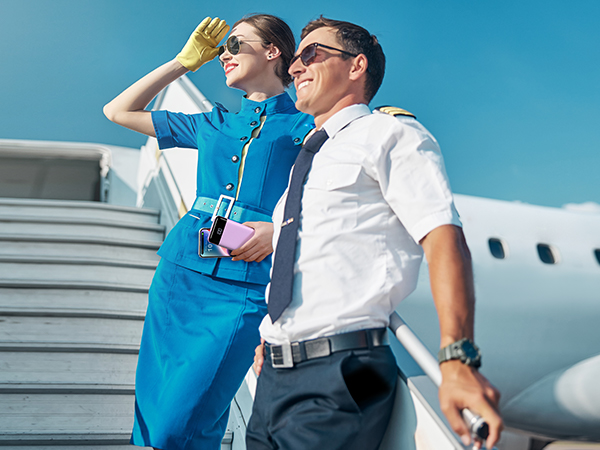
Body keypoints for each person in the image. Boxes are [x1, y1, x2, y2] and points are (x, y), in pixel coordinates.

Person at [246, 17, 503, 450]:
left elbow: (443, 237)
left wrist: (457, 359)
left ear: (356, 65)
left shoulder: (391, 134)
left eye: (310, 54)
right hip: (273, 376)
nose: (294, 68)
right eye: (293, 60)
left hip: (343, 372)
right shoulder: (307, 162)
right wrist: (276, 330)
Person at [103, 14, 313, 450]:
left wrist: (280, 229)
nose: (224, 54)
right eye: (221, 48)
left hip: (246, 284)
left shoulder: (306, 126)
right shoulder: (213, 123)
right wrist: (183, 62)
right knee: (152, 418)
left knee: (181, 424)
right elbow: (117, 111)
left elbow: (341, 189)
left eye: (235, 44)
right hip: (180, 275)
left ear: (273, 52)